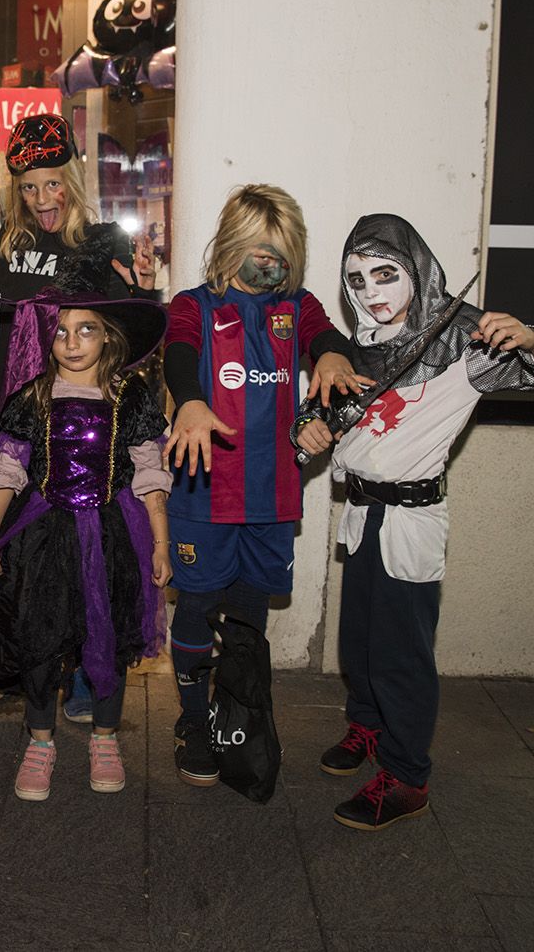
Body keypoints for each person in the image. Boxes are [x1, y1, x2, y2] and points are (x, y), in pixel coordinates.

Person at [293, 213, 534, 830]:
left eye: (385, 273)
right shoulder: (351, 346)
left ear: (416, 270)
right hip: (360, 513)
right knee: (359, 640)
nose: (371, 291)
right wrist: (305, 433)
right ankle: (366, 726)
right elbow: (316, 420)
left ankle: (407, 773)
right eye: (357, 279)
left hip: (412, 519)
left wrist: (533, 338)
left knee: (401, 652)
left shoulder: (465, 341)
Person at [161, 183, 366, 788]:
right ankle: (194, 722)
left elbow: (325, 338)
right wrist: (191, 403)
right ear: (229, 246)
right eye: (259, 249)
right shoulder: (192, 305)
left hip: (271, 496)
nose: (270, 263)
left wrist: (330, 357)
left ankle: (238, 711)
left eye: (281, 252)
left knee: (249, 613)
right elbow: (177, 355)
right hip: (202, 492)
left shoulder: (296, 306)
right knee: (198, 604)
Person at [0, 113, 158, 721]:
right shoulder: (9, 242)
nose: (42, 199)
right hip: (18, 406)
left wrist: (146, 287)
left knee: (86, 561)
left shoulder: (102, 242)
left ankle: (85, 671)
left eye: (53, 184)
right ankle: (27, 665)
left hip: (78, 414)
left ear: (72, 181)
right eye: (28, 187)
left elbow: (122, 328)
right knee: (27, 555)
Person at [0, 237, 171, 800]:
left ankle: (104, 737)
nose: (71, 342)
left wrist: (160, 544)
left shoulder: (128, 398)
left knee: (107, 630)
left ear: (109, 336)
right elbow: (7, 471)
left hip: (112, 533)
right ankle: (40, 741)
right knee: (40, 633)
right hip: (44, 533)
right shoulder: (32, 397)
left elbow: (149, 474)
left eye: (86, 329)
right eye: (61, 331)